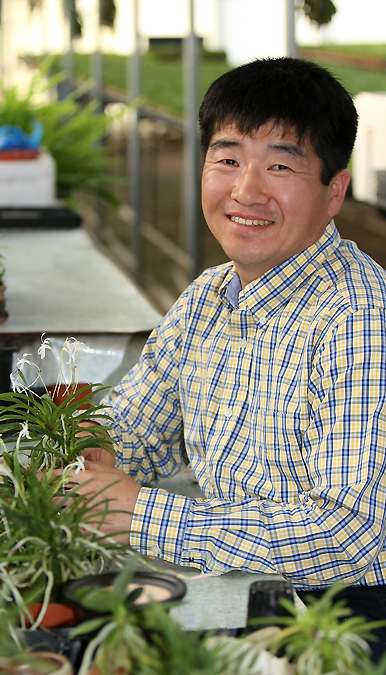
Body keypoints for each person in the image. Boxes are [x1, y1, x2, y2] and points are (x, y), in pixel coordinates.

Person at [62, 57, 386, 656]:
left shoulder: (358, 318)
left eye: (281, 166)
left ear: (335, 191)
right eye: (227, 159)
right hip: (230, 587)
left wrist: (139, 513)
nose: (245, 191)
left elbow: (354, 536)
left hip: (337, 621)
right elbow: (137, 433)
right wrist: (89, 448)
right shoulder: (209, 298)